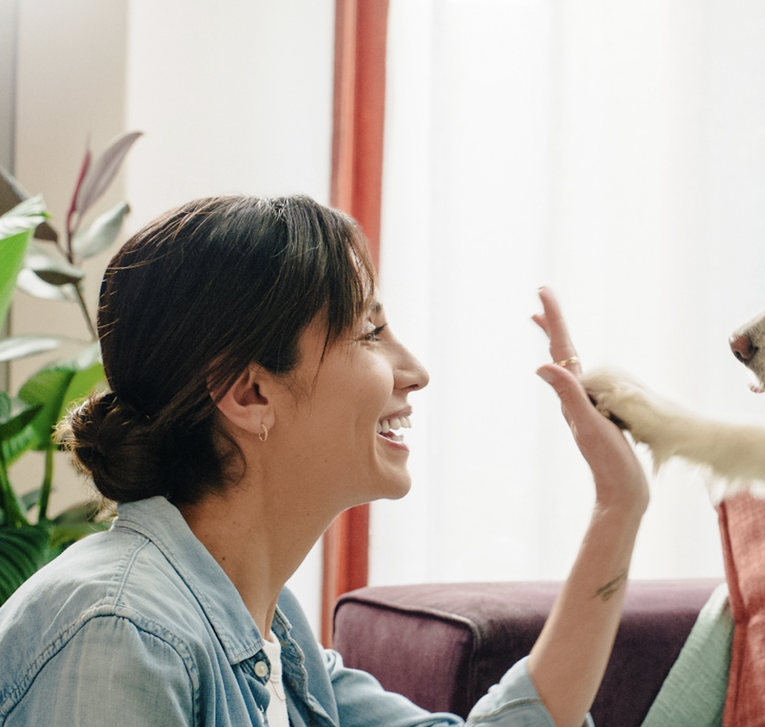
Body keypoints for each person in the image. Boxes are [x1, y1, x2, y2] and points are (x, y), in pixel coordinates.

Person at [0, 195, 649, 727]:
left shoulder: (271, 639)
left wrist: (618, 505)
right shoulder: (121, 633)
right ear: (250, 393)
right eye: (369, 332)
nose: (415, 372)